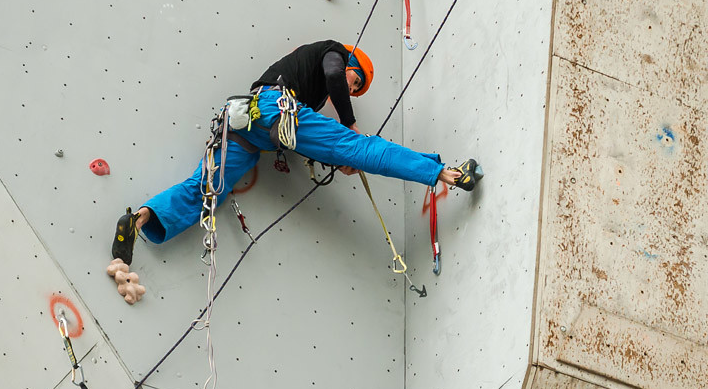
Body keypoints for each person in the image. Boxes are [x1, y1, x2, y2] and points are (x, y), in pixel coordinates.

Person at [107, 40, 481, 303]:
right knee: (364, 148)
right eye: (355, 82)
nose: (350, 88)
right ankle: (446, 173)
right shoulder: (333, 53)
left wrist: (336, 160)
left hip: (246, 129)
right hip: (274, 109)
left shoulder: (307, 88)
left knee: (206, 190)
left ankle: (139, 220)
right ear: (351, 62)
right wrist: (348, 124)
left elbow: (304, 134)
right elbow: (335, 75)